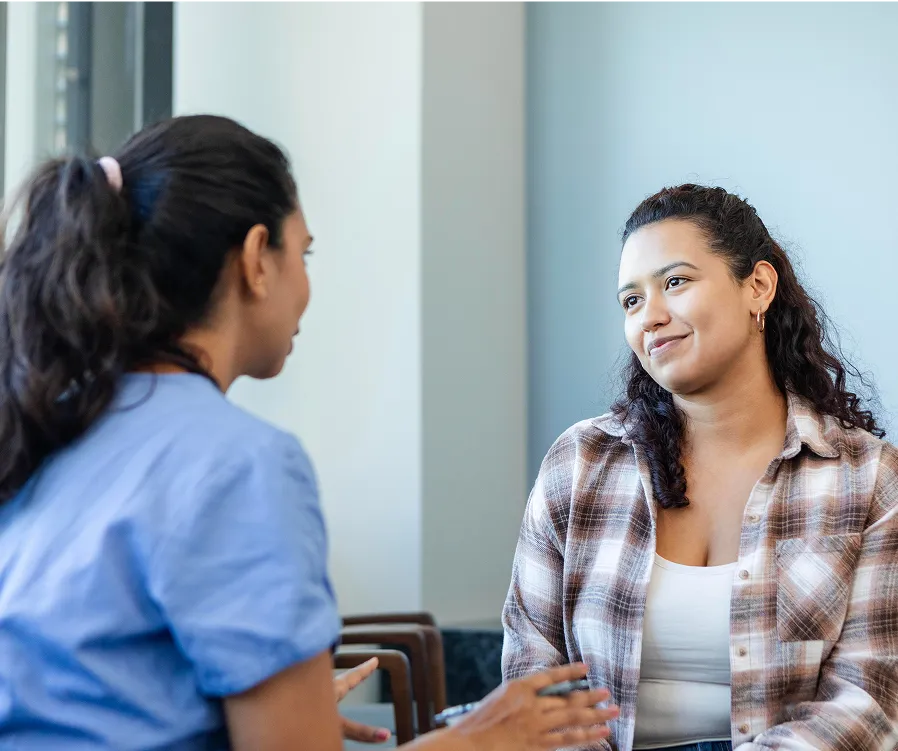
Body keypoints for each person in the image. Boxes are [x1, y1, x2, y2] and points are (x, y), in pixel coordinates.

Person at [0, 115, 619, 750]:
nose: (306, 284)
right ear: (255, 260)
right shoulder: (242, 463)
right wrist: (476, 738)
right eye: (305, 252)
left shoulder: (42, 430)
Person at [502, 184, 898, 751]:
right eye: (631, 301)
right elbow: (532, 671)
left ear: (758, 287)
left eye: (675, 282)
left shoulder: (869, 477)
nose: (651, 316)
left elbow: (870, 701)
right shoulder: (580, 462)